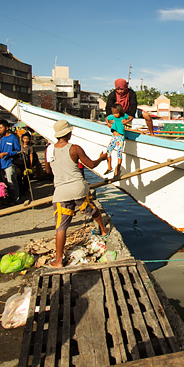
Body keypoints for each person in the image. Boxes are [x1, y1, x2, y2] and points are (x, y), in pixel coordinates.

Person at [45, 120, 109, 268]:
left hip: (61, 191)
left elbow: (48, 171)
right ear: (68, 133)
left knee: (61, 226)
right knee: (91, 209)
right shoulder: (74, 149)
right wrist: (102, 158)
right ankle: (104, 230)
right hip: (77, 187)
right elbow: (91, 165)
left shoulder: (48, 150)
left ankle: (59, 260)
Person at [0, 119, 21, 204]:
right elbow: (0, 151)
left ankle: (15, 199)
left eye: (0, 127)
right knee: (6, 183)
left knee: (12, 182)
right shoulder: (2, 139)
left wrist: (7, 153)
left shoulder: (13, 138)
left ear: (6, 128)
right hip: (2, 164)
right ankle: (9, 198)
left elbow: (19, 151)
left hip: (10, 163)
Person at [105, 103, 130, 176]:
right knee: (108, 151)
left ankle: (118, 169)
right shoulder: (112, 117)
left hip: (120, 137)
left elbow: (130, 117)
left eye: (116, 113)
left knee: (119, 153)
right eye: (114, 113)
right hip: (114, 137)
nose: (115, 115)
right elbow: (106, 118)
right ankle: (109, 166)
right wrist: (108, 123)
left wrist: (126, 122)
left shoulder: (123, 116)